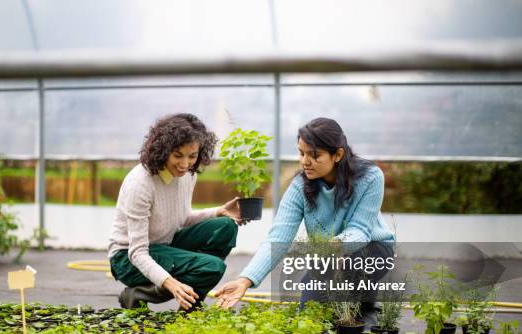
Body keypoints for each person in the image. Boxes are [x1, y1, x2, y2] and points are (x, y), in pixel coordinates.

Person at [215, 117, 395, 322]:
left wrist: (335, 246)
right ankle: (359, 301)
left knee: (352, 312)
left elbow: (361, 230)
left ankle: (364, 307)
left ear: (338, 155)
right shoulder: (300, 186)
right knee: (309, 316)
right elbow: (278, 239)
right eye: (301, 153)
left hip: (373, 248)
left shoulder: (370, 177)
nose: (304, 162)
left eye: (314, 155)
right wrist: (244, 281)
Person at [108, 113, 243, 311]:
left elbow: (182, 218)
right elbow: (137, 252)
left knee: (225, 227)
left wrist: (219, 211)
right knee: (212, 267)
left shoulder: (187, 174)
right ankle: (138, 294)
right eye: (177, 155)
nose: (185, 164)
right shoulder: (141, 183)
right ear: (163, 151)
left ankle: (190, 303)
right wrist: (171, 284)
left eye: (192, 156)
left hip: (164, 244)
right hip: (127, 259)